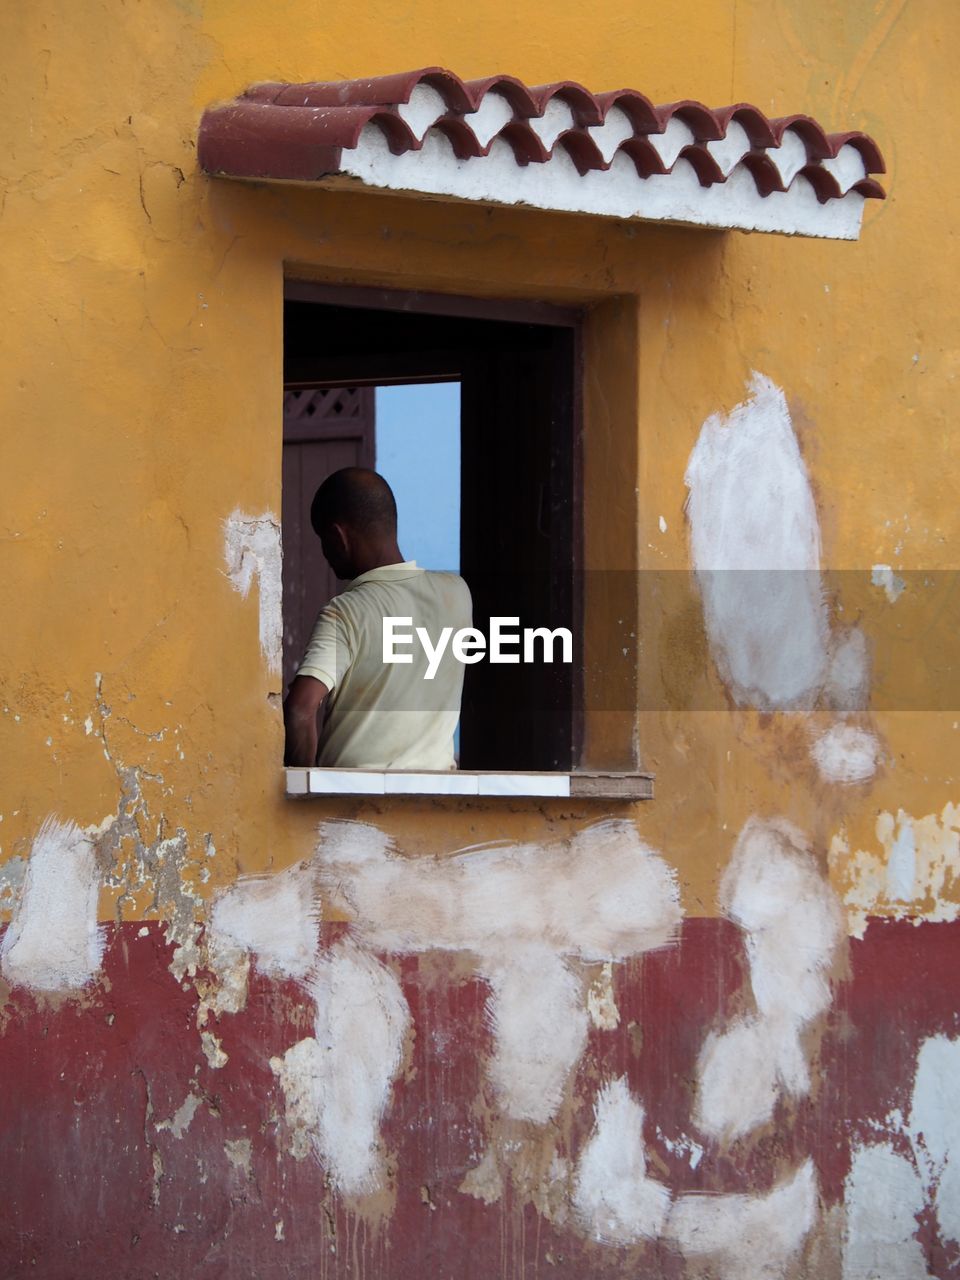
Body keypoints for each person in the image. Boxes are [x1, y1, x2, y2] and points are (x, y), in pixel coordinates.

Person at [283, 467, 472, 769]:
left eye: (322, 539)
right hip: (436, 800)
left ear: (337, 536)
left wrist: (298, 798)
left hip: (353, 801)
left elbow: (300, 710)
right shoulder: (457, 595)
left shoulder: (345, 612)